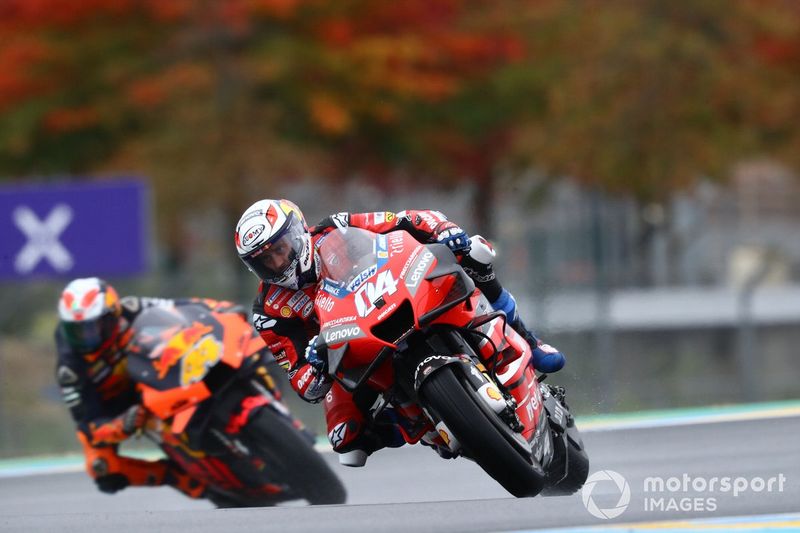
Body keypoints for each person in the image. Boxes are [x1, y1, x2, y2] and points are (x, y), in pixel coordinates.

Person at [234, 199, 565, 462]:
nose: (277, 263)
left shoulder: (336, 228)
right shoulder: (269, 312)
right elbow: (302, 383)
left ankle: (529, 340)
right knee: (344, 437)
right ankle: (419, 422)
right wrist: (317, 365)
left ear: (297, 233)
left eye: (279, 250)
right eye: (265, 261)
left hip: (395, 296)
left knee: (473, 254)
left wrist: (446, 231)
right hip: (353, 352)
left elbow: (405, 220)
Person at [55, 277, 248, 498]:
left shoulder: (131, 308)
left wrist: (221, 308)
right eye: (76, 331)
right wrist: (120, 426)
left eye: (94, 327)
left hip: (151, 376)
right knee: (102, 468)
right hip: (116, 409)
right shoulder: (70, 369)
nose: (87, 338)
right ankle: (191, 482)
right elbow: (88, 427)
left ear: (113, 315)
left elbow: (180, 307)